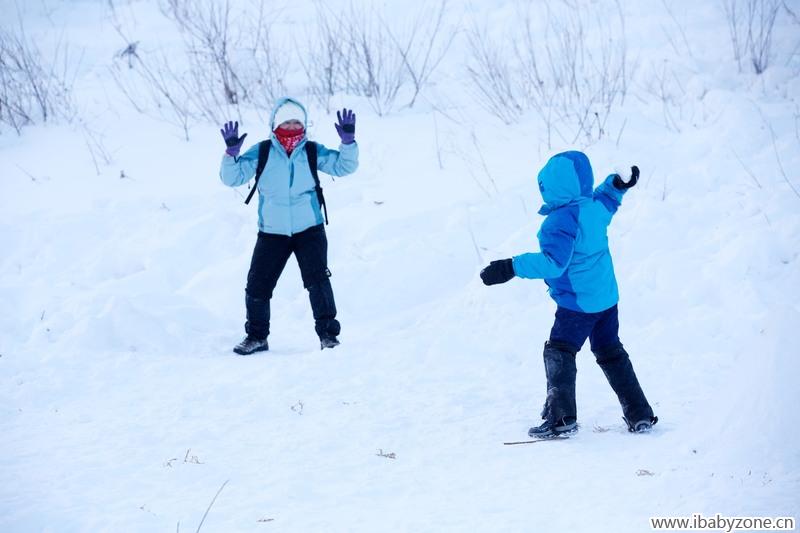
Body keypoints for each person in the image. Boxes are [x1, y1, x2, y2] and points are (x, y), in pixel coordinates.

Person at [480, 151, 657, 438]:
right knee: (611, 353)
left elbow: (553, 262)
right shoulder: (593, 207)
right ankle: (640, 414)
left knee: (559, 351)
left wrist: (511, 266)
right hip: (606, 299)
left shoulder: (559, 221)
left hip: (578, 305)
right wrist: (618, 183)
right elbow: (608, 198)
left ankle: (560, 418)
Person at [219, 97, 358, 354]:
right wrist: (231, 155)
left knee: (318, 282)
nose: (292, 126)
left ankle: (328, 336)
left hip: (310, 229)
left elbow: (344, 166)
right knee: (258, 285)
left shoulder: (312, 151)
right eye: (287, 122)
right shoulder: (262, 152)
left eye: (297, 122)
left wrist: (348, 143)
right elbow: (232, 178)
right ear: (275, 124)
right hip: (272, 232)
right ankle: (257, 336)